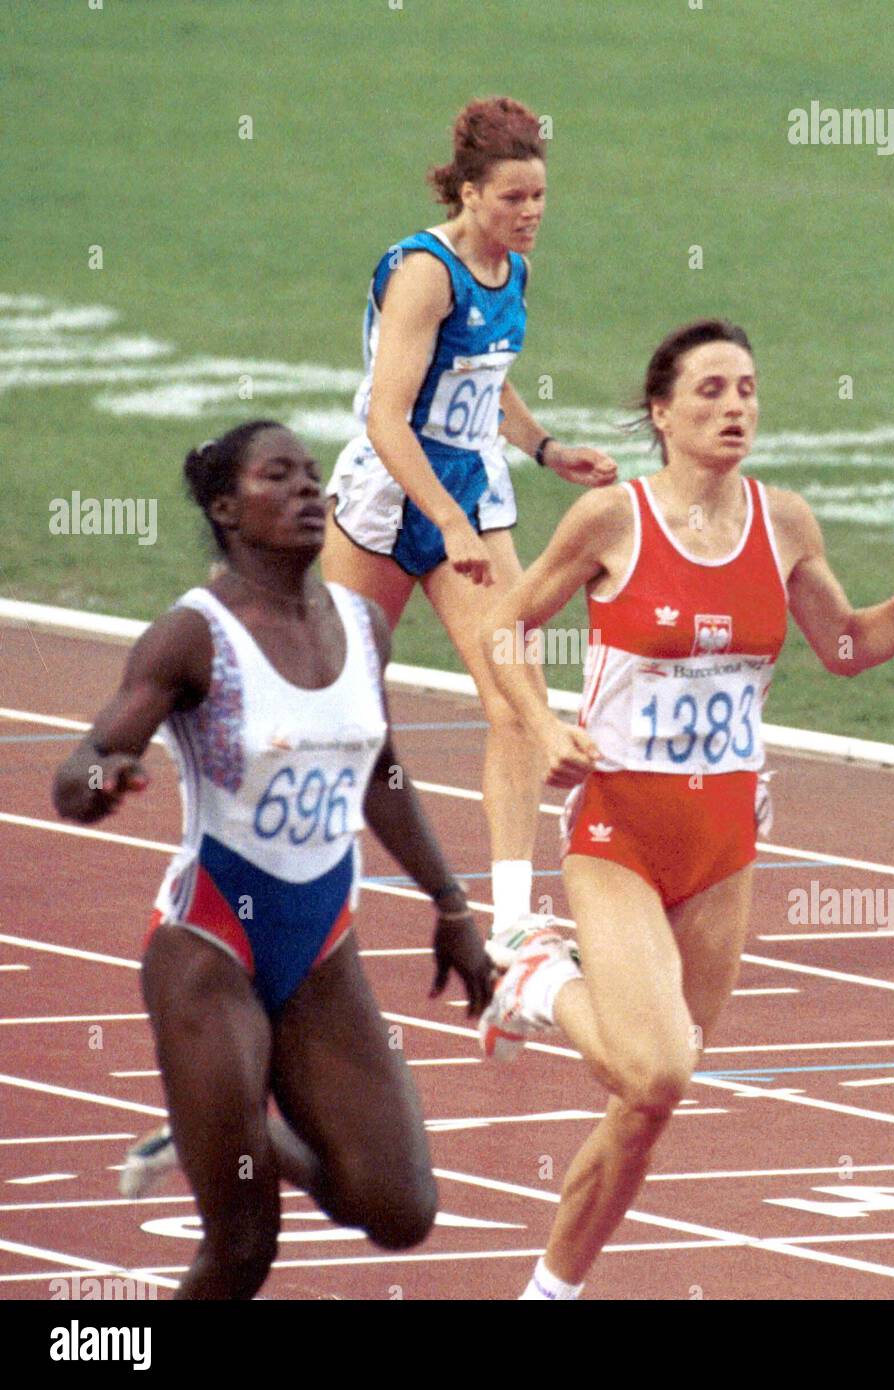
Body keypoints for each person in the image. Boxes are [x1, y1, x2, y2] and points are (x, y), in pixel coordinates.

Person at [477, 318, 894, 1300]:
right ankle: (536, 975)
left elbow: (841, 647)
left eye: (745, 389)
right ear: (659, 414)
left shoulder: (782, 520)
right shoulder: (610, 520)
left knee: (646, 1104)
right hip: (617, 836)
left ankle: (548, 1293)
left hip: (723, 851)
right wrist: (539, 725)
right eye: (708, 391)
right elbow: (505, 624)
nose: (733, 407)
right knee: (658, 1069)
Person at [52, 420, 493, 1300]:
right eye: (278, 478)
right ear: (226, 508)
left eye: (313, 476)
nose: (307, 492)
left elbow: (381, 769)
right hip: (208, 946)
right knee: (243, 1249)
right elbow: (76, 771)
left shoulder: (363, 625)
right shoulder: (195, 635)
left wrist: (451, 904)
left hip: (321, 948)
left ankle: (228, 1125)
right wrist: (106, 777)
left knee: (400, 1208)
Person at [323, 96, 616, 960]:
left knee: (517, 700)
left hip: (472, 493)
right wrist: (442, 520)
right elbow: (386, 416)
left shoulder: (513, 272)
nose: (531, 215)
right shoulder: (424, 272)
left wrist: (546, 447)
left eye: (541, 199)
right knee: (339, 704)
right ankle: (302, 889)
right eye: (514, 199)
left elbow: (488, 380)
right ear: (470, 193)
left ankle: (517, 917)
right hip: (391, 494)